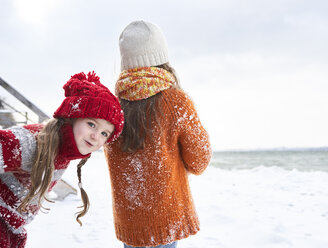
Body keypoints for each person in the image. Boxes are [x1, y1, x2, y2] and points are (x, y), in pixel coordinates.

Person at [104, 20, 212, 248]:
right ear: (162, 57)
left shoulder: (112, 106)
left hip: (130, 223)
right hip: (165, 221)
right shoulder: (176, 102)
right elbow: (199, 162)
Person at [0, 71, 124, 247]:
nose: (96, 136)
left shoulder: (62, 152)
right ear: (72, 118)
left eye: (105, 133)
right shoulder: (30, 142)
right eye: (91, 124)